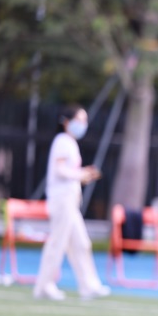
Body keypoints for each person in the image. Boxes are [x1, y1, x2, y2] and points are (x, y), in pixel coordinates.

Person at [33, 105, 110, 301]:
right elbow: (61, 170)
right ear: (67, 121)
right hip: (61, 200)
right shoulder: (62, 141)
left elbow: (69, 170)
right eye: (79, 120)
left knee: (81, 243)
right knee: (58, 242)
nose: (83, 125)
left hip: (71, 201)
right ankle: (44, 285)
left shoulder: (70, 143)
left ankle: (89, 285)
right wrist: (80, 174)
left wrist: (83, 173)